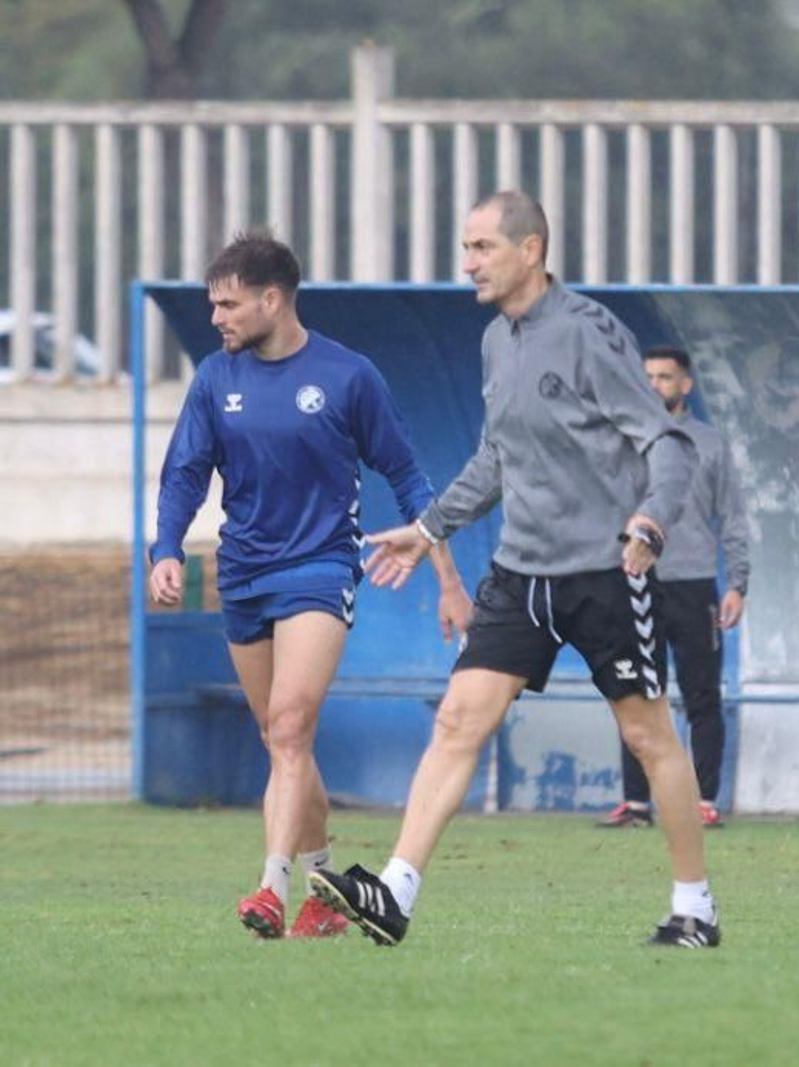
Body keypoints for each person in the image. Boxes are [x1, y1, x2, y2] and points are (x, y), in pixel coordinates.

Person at [309, 190, 723, 949]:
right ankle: (395, 891)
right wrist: (429, 529)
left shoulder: (590, 333)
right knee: (459, 719)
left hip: (606, 572)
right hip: (520, 573)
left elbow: (669, 444)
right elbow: (497, 456)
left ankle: (695, 906)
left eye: (481, 248)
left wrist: (652, 519)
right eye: (465, 248)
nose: (468, 262)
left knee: (647, 737)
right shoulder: (496, 341)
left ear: (530, 250)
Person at [147, 231, 472, 940]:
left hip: (320, 568)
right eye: (211, 305)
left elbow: (410, 479)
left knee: (291, 726)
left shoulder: (349, 377)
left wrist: (448, 578)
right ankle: (328, 884)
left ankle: (271, 887)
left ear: (273, 298)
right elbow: (184, 474)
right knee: (281, 741)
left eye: (228, 304)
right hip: (244, 572)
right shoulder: (214, 380)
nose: (217, 318)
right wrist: (165, 547)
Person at [597, 346, 750, 831]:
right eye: (649, 377)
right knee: (635, 692)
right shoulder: (621, 441)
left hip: (694, 584)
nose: (655, 385)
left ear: (686, 385)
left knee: (701, 694)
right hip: (636, 583)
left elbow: (734, 517)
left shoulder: (709, 443)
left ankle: (703, 800)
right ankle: (636, 803)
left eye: (665, 377)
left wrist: (737, 583)